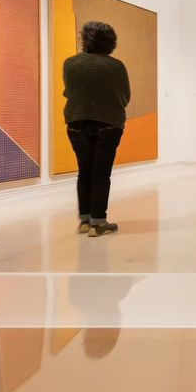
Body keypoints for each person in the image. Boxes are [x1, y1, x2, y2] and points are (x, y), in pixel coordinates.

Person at [63, 21, 131, 237]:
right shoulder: (116, 66)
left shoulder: (70, 63)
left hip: (76, 123)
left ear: (85, 39)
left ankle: (84, 221)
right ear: (111, 42)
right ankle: (98, 223)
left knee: (84, 172)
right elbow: (125, 96)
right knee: (101, 173)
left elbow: (69, 92)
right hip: (108, 124)